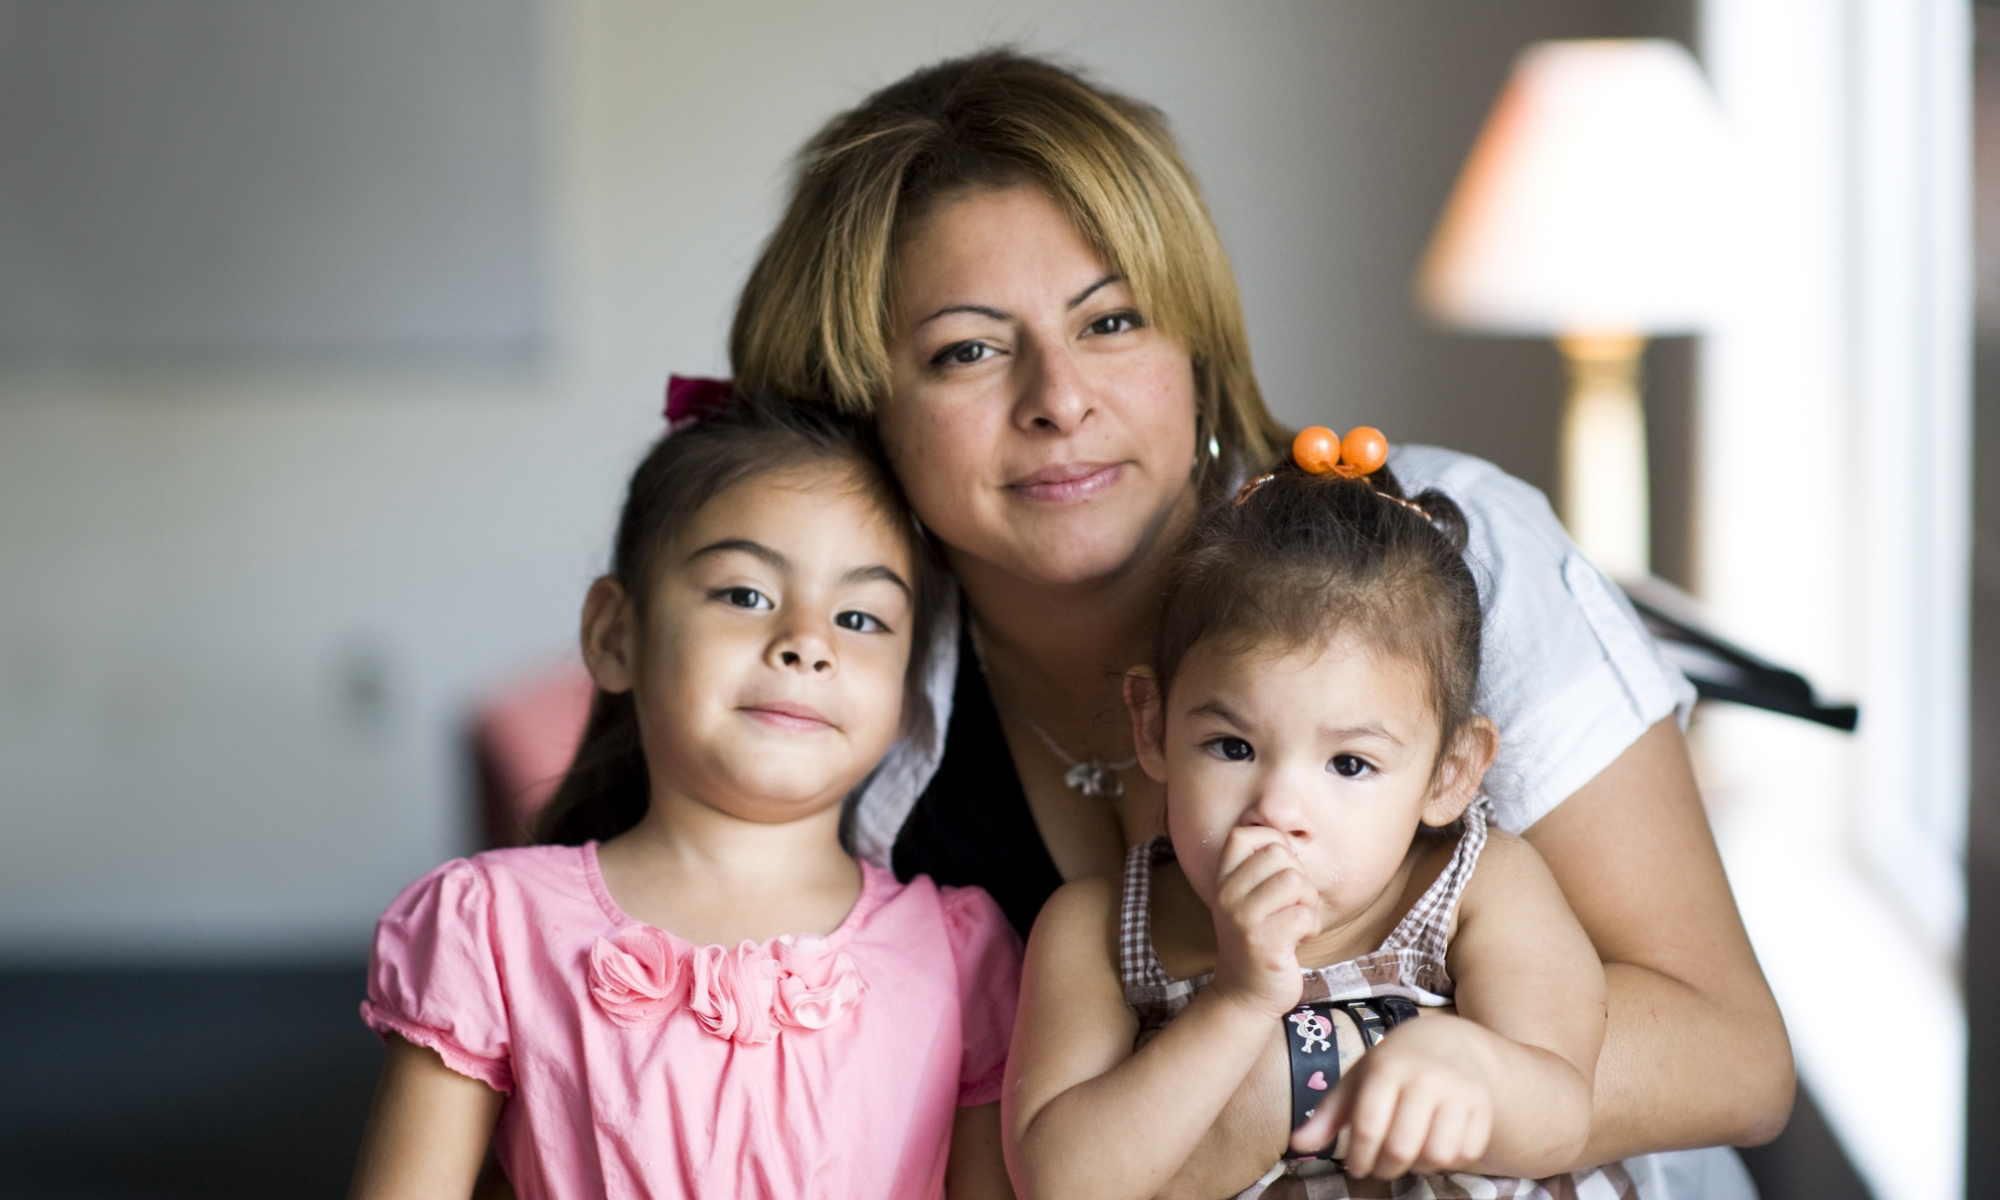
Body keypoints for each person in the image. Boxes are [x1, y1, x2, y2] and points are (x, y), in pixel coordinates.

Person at [729, 50, 1791, 1197]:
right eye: (967, 351)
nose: (1058, 399)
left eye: (1112, 320)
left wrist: (1291, 1082)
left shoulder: (1445, 549)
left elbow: (1729, 1055)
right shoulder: (823, 686)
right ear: (857, 407)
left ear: (1195, 344)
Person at [347, 396, 1020, 1200]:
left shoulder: (960, 954)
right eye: (745, 595)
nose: (808, 643)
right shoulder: (491, 926)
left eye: (859, 616)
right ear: (615, 635)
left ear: (913, 691)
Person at [1009, 439, 1633, 1199]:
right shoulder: (1100, 928)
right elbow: (1063, 1183)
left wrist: (1479, 1068)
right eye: (1233, 746)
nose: (1278, 809)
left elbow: (1564, 1114)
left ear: (1450, 774)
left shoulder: (1478, 887)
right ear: (1153, 727)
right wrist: (1239, 1001)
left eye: (1349, 765)